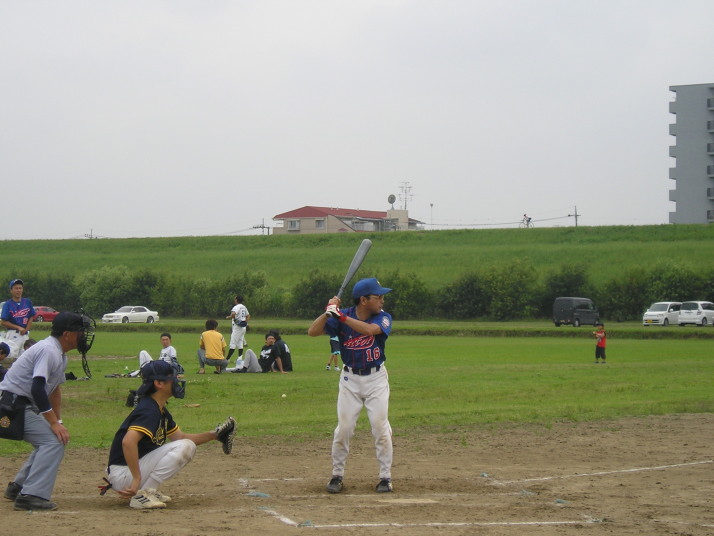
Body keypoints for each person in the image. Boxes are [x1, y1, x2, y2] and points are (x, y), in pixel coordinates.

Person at [104, 360, 230, 509]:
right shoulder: (149, 410)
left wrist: (214, 435)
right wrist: (137, 478)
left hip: (126, 471)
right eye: (172, 378)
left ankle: (148, 490)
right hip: (124, 473)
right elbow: (128, 442)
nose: (176, 381)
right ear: (159, 383)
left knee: (185, 445)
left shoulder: (158, 409)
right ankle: (143, 494)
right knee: (186, 447)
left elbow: (180, 438)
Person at [308, 277, 394, 494]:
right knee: (344, 428)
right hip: (349, 380)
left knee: (380, 427)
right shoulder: (341, 315)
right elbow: (313, 331)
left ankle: (385, 477)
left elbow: (369, 331)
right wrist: (328, 312)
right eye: (378, 297)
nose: (382, 300)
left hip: (376, 379)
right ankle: (337, 476)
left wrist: (341, 317)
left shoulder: (383, 317)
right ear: (364, 300)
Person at [1, 311, 95, 511]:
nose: (83, 336)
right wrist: (52, 423)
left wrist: (57, 422)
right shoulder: (48, 350)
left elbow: (54, 390)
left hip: (18, 404)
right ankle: (31, 496)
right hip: (11, 405)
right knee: (52, 442)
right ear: (67, 334)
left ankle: (18, 488)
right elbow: (37, 387)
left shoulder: (59, 353)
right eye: (80, 331)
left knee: (52, 437)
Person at [1, 279, 36, 357]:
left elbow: (31, 316)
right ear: (11, 290)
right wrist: (18, 327)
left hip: (25, 334)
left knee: (26, 357)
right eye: (16, 288)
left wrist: (27, 329)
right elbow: (3, 322)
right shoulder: (8, 304)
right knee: (12, 357)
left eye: (20, 288)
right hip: (13, 334)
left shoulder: (27, 302)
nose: (18, 290)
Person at [225, 295, 250, 362]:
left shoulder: (237, 307)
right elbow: (248, 316)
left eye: (235, 299)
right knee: (240, 342)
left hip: (237, 327)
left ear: (236, 300)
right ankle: (240, 358)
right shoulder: (244, 307)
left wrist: (232, 318)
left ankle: (227, 359)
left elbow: (233, 314)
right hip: (243, 327)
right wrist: (245, 323)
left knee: (233, 343)